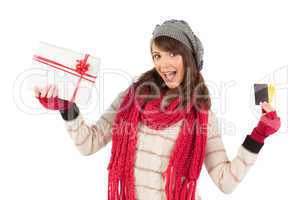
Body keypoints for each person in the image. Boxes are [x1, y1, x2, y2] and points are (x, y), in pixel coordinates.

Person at [34, 19, 281, 200]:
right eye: (157, 55)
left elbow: (225, 182)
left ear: (190, 59)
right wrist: (66, 108)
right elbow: (89, 144)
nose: (163, 63)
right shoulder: (130, 99)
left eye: (173, 53)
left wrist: (259, 135)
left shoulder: (202, 116)